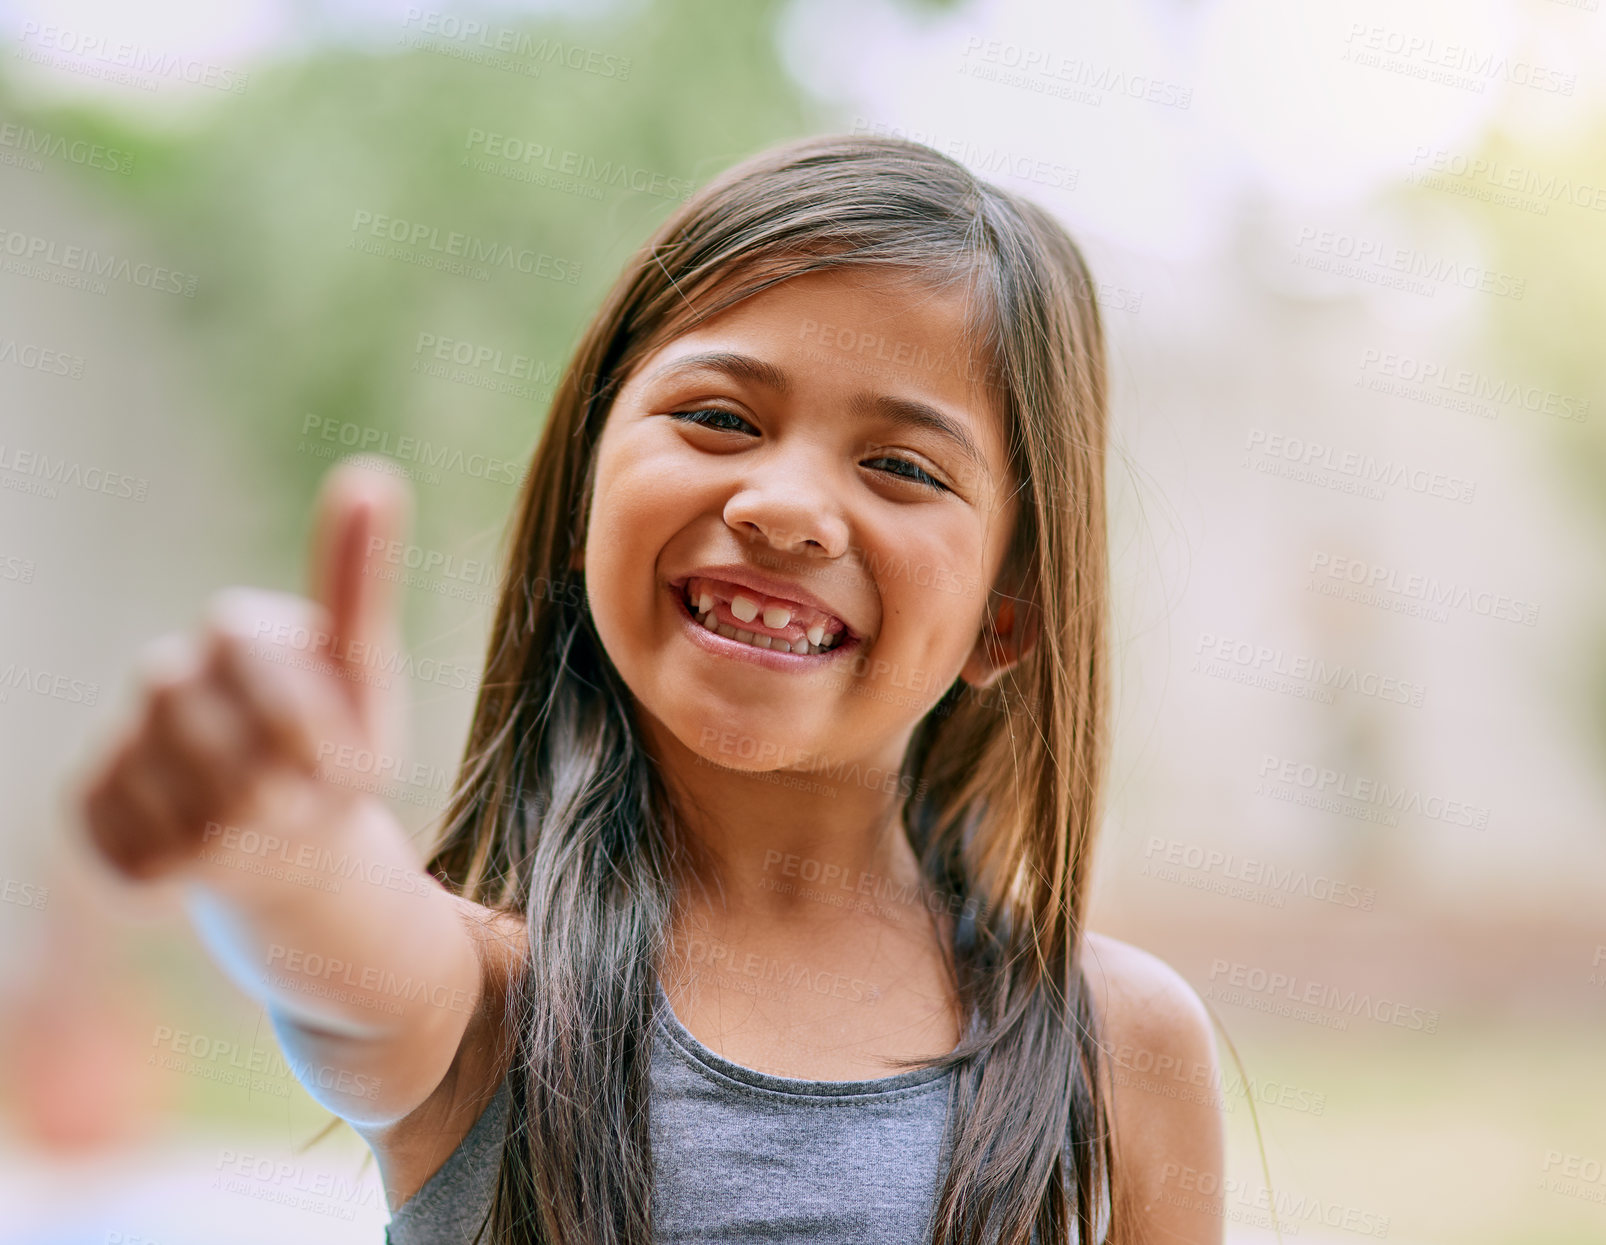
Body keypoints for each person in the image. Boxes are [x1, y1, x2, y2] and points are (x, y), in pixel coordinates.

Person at [78, 133, 1225, 1244]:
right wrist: (288, 837)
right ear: (587, 491)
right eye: (719, 418)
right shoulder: (481, 1005)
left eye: (900, 467)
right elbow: (341, 943)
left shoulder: (1123, 1046)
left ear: (1006, 614)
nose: (781, 505)